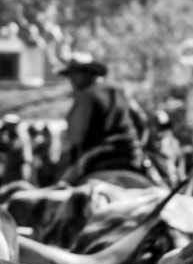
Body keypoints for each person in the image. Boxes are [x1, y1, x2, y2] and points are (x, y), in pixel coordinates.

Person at [56, 52, 143, 182]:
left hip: (99, 155)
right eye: (70, 75)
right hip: (133, 154)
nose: (71, 79)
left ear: (88, 73)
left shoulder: (87, 96)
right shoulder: (121, 92)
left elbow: (75, 137)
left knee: (61, 188)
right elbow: (142, 121)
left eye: (75, 73)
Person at [0, 112, 30, 185]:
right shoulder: (9, 136)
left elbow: (13, 149)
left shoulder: (20, 136)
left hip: (18, 168)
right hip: (9, 168)